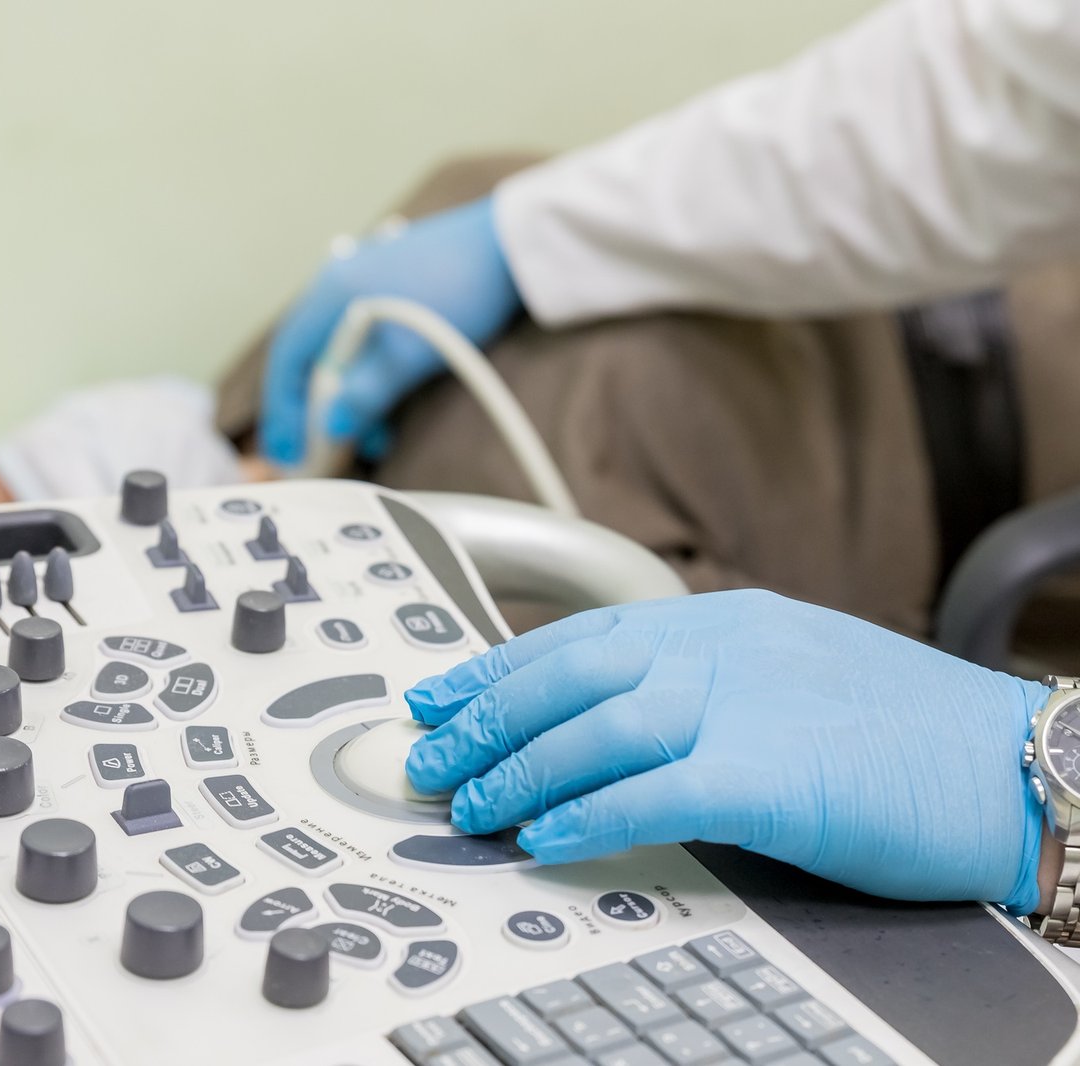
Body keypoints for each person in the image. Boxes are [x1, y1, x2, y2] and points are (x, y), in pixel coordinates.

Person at [255, 0, 1080, 922]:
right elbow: (979, 98)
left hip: (933, 435)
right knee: (478, 193)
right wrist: (525, 238)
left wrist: (1045, 808)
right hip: (900, 334)